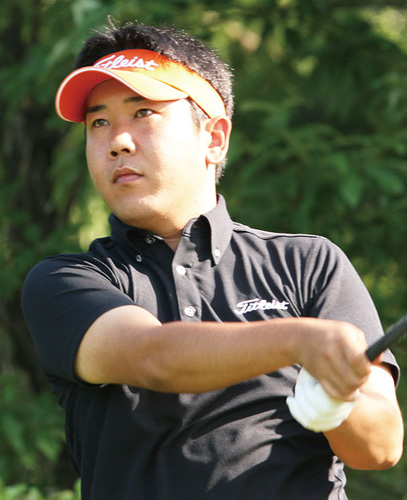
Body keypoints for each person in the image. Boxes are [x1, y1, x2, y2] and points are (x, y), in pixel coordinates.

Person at [22, 20, 403, 500]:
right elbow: (152, 357)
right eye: (99, 122)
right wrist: (299, 341)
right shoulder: (65, 281)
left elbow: (381, 447)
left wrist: (334, 404)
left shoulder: (308, 264)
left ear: (214, 138)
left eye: (143, 112)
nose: (117, 140)